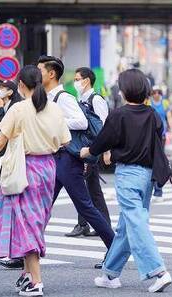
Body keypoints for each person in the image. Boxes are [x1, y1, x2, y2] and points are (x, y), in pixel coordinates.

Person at [81, 69, 172, 293]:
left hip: (128, 175)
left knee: (136, 222)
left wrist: (88, 151)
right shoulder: (152, 115)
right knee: (126, 225)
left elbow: (103, 140)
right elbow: (158, 141)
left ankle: (158, 271)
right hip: (148, 177)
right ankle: (110, 274)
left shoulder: (119, 115)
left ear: (124, 90)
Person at [0, 65, 71, 297]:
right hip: (48, 168)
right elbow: (65, 141)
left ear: (20, 85)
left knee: (26, 223)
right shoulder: (55, 109)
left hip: (25, 168)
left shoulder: (18, 109)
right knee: (35, 221)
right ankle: (27, 274)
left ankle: (36, 281)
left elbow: (0, 141)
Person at [37, 55, 114, 269]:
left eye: (40, 70)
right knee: (43, 206)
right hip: (55, 158)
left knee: (87, 207)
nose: (37, 74)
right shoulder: (46, 96)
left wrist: (56, 121)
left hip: (68, 160)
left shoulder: (63, 97)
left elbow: (80, 122)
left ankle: (114, 248)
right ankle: (26, 250)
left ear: (51, 74)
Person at [64, 67, 111, 239]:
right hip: (82, 149)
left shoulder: (96, 99)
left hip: (92, 149)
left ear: (86, 80)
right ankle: (85, 224)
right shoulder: (79, 99)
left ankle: (98, 224)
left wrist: (103, 151)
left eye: (77, 79)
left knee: (90, 188)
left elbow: (104, 127)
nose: (75, 82)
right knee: (84, 187)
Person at [0, 80, 25, 270]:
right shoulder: (8, 106)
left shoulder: (15, 108)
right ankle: (19, 254)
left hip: (13, 161)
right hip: (10, 161)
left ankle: (21, 254)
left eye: (4, 88)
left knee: (15, 207)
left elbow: (3, 137)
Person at [149, 87, 172, 202]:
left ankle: (158, 191)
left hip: (161, 135)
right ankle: (152, 190)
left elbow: (169, 117)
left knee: (159, 161)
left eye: (158, 92)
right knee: (150, 162)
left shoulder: (164, 103)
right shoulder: (148, 102)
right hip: (149, 135)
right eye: (153, 93)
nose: (156, 94)